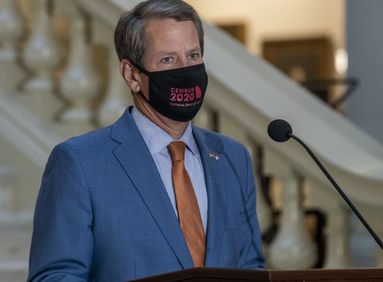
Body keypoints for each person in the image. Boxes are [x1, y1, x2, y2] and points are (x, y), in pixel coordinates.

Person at [27, 0, 265, 281]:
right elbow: (55, 277)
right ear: (132, 75)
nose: (185, 69)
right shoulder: (79, 163)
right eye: (168, 59)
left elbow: (251, 268)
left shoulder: (232, 158)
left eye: (193, 55)